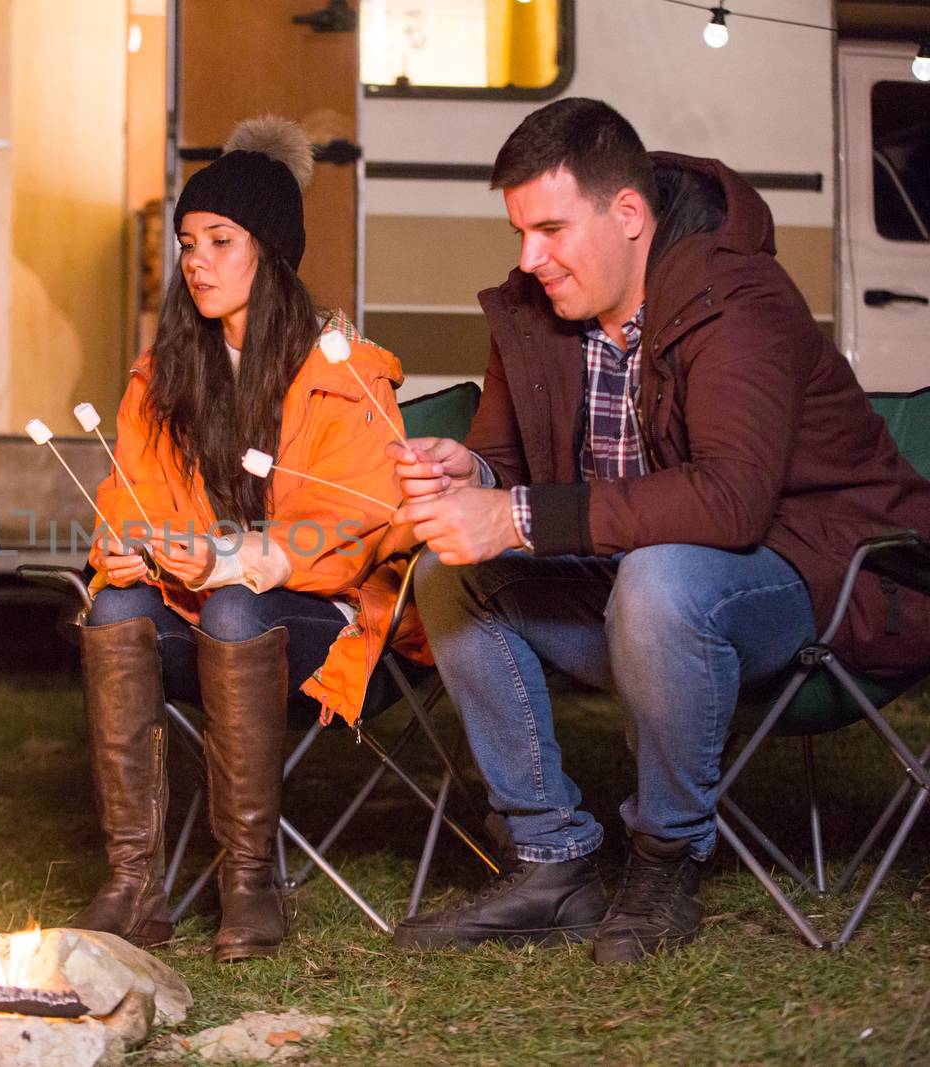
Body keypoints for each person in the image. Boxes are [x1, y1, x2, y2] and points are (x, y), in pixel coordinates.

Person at [389, 98, 930, 964]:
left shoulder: (737, 297)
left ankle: (666, 855)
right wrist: (473, 476)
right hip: (637, 593)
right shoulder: (538, 309)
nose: (530, 258)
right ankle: (551, 859)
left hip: (811, 578)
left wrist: (514, 513)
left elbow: (731, 503)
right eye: (521, 231)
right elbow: (502, 461)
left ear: (629, 216)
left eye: (553, 228)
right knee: (451, 574)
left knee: (661, 578)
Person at [73, 116, 423, 962]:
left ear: (270, 252)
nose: (197, 261)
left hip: (322, 623)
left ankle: (249, 881)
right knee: (115, 603)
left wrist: (229, 558)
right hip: (202, 608)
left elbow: (355, 528)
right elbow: (132, 498)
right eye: (188, 241)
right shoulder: (163, 376)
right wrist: (125, 548)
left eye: (220, 241)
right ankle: (133, 882)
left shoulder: (344, 373)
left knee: (232, 605)